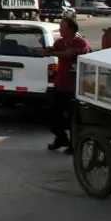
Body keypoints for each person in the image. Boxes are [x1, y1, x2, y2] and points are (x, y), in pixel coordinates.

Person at [37, 17, 91, 153]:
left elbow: (68, 54)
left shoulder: (81, 42)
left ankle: (75, 145)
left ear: (71, 29)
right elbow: (53, 50)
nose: (60, 30)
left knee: (74, 118)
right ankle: (61, 138)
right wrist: (46, 50)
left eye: (63, 28)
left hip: (75, 88)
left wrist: (51, 53)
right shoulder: (60, 42)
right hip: (60, 85)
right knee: (52, 114)